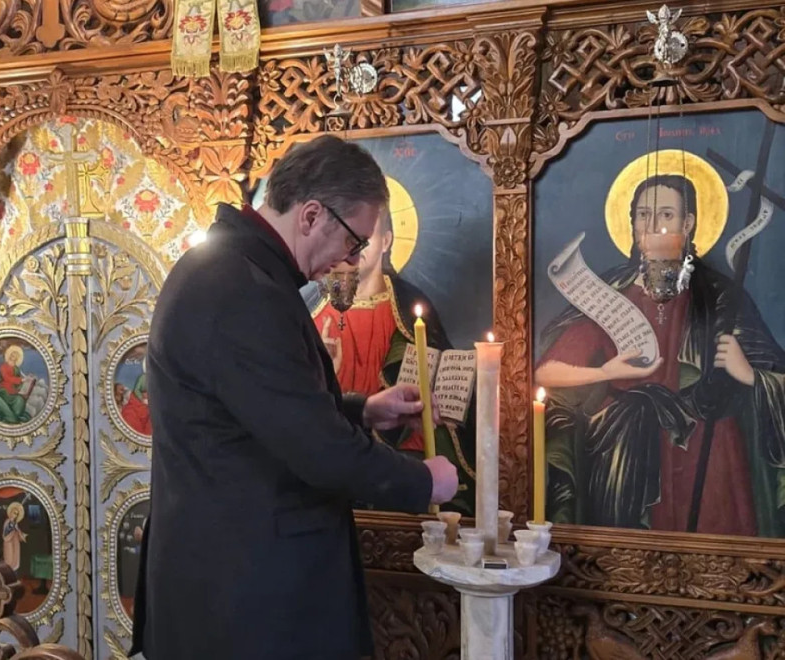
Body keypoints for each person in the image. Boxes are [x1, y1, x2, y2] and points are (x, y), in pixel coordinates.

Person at [131, 135, 459, 660]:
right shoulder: (241, 290)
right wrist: (424, 480)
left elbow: (258, 411)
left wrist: (363, 407)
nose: (348, 260)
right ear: (311, 216)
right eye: (353, 242)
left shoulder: (226, 269)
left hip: (232, 580)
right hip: (246, 600)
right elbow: (318, 450)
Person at [536, 173, 785, 536]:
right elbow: (547, 373)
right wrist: (605, 372)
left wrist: (748, 374)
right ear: (632, 223)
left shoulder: (719, 295)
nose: (653, 226)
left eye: (666, 215)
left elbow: (776, 378)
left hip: (705, 448)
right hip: (623, 452)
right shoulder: (611, 292)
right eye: (643, 215)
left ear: (688, 223)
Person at [309, 208, 476, 513]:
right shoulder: (313, 310)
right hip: (333, 455)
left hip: (397, 455)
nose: (353, 251)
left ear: (386, 241)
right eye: (347, 239)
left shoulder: (410, 307)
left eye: (364, 239)